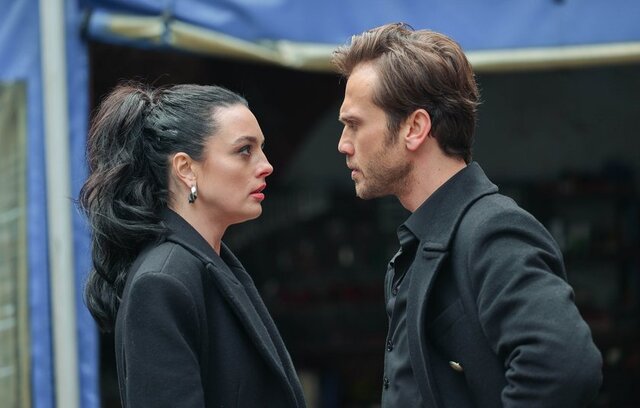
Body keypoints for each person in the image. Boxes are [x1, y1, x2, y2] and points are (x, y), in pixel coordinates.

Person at [332, 23, 602, 407]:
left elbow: (566, 369)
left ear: (415, 128)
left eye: (354, 124)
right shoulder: (427, 240)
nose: (343, 144)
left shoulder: (493, 230)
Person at [79, 82, 306, 407]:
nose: (266, 165)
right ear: (186, 168)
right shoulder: (162, 281)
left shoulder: (209, 263)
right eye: (245, 150)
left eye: (261, 148)